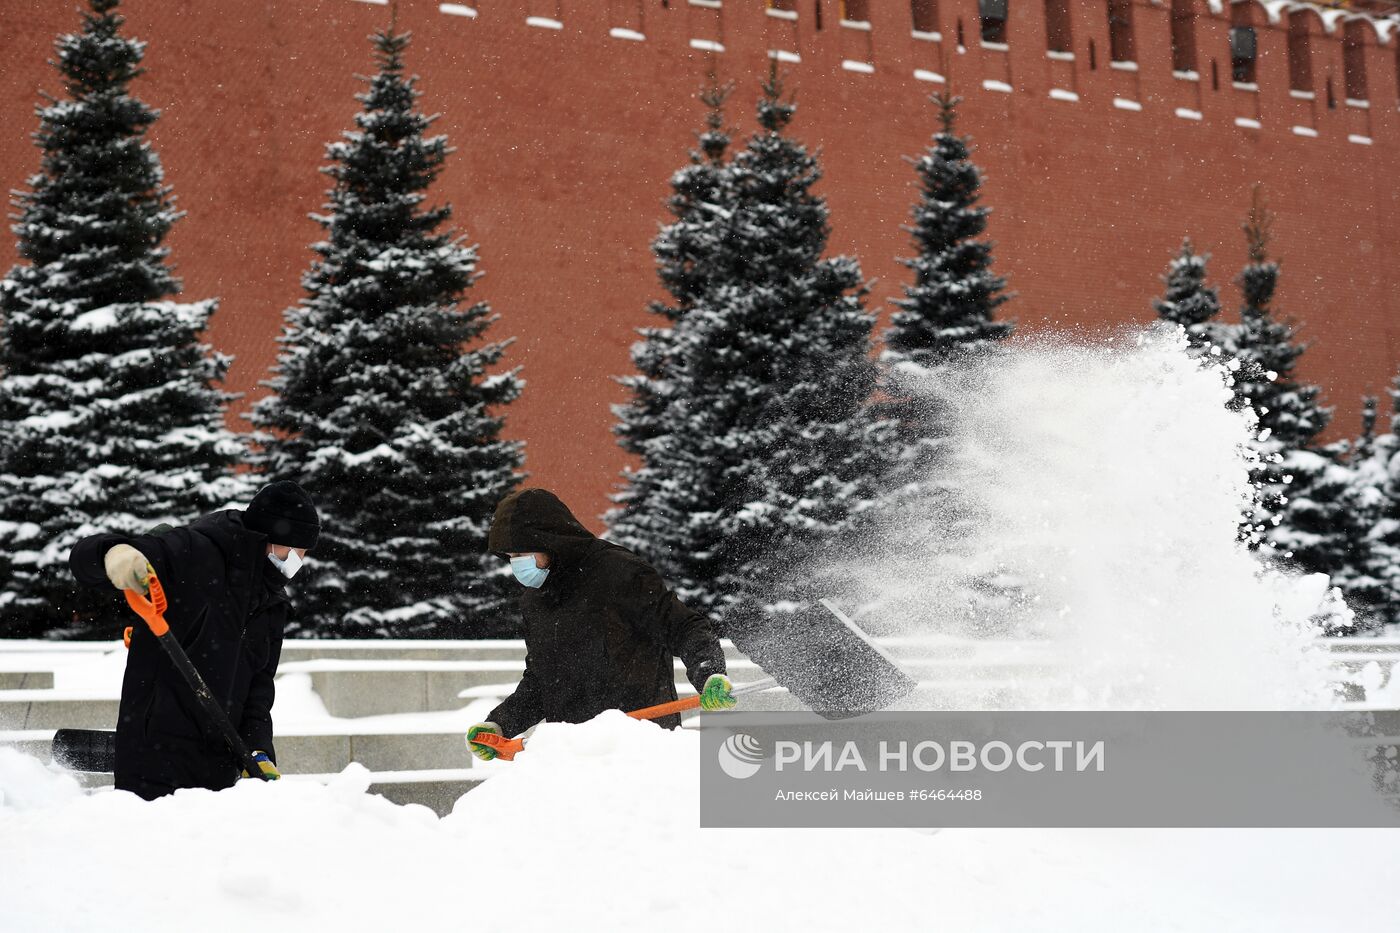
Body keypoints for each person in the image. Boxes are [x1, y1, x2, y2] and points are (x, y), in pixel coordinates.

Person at [68, 481, 320, 799]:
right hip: (154, 760)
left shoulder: (272, 605)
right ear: (267, 537)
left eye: (303, 554)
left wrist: (258, 749)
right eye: (292, 550)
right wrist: (113, 554)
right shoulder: (196, 551)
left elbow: (258, 690)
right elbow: (84, 559)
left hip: (219, 771)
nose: (297, 561)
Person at [468, 488, 735, 759]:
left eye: (524, 551)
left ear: (551, 540)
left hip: (640, 747)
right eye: (512, 555)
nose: (517, 563)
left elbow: (683, 626)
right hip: (575, 755)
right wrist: (500, 725)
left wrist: (709, 673)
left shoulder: (620, 573)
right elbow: (542, 680)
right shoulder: (534, 600)